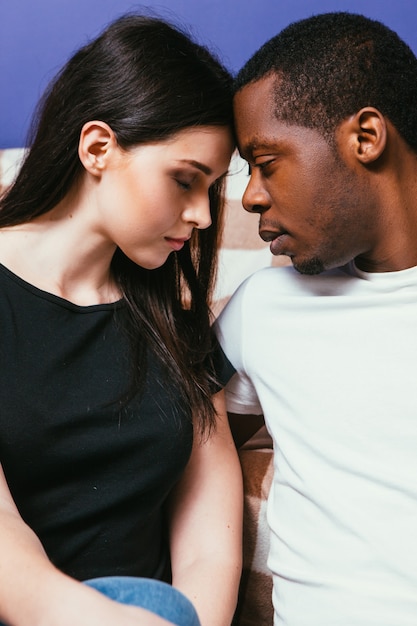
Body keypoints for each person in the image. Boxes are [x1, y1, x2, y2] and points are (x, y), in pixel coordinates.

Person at [0, 13, 243, 626]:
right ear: (98, 148)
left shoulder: (173, 323)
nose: (203, 217)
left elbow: (210, 547)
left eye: (211, 189)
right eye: (185, 180)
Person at [215, 11, 417, 626]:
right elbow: (186, 428)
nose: (249, 194)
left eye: (266, 162)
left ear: (365, 138)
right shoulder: (264, 309)